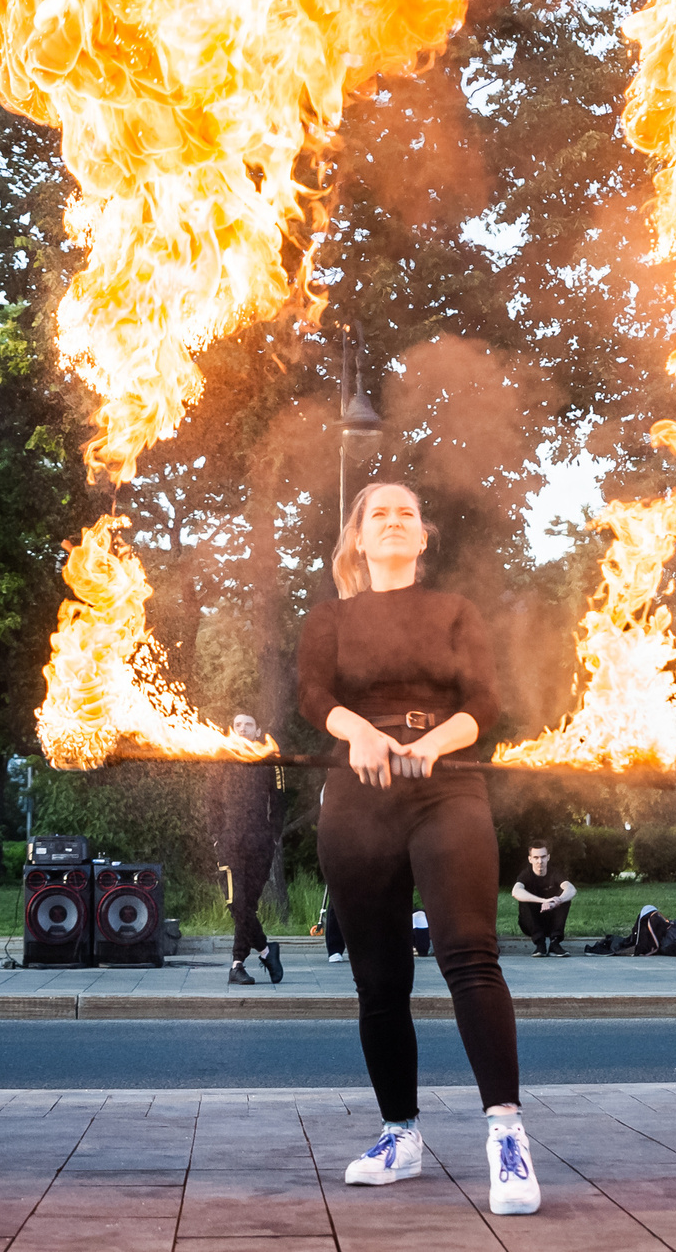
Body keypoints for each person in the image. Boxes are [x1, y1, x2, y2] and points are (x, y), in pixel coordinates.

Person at [298, 480, 539, 1215]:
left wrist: (430, 742)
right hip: (357, 790)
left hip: (448, 784)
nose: (395, 520)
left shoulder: (455, 611)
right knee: (379, 979)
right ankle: (400, 1135)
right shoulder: (329, 617)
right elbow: (313, 696)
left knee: (470, 954)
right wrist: (362, 733)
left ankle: (507, 1135)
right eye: (380, 514)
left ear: (423, 536)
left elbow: (485, 703)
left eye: (407, 512)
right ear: (358, 540)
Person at [221, 713, 285, 987]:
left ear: (258, 730)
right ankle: (265, 952)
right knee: (237, 904)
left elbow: (281, 800)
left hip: (260, 843)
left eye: (248, 725)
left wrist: (273, 836)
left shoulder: (270, 759)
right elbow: (210, 801)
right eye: (238, 725)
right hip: (229, 844)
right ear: (232, 730)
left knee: (249, 905)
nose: (243, 729)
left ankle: (240, 965)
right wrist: (216, 836)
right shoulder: (220, 759)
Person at [510, 841, 576, 956]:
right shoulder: (526, 874)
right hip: (530, 924)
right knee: (524, 898)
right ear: (530, 859)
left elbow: (571, 889)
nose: (540, 861)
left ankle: (555, 944)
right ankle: (540, 944)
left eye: (543, 857)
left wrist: (556, 901)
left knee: (565, 897)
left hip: (552, 922)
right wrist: (544, 901)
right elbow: (515, 891)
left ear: (548, 857)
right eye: (536, 857)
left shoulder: (555, 873)